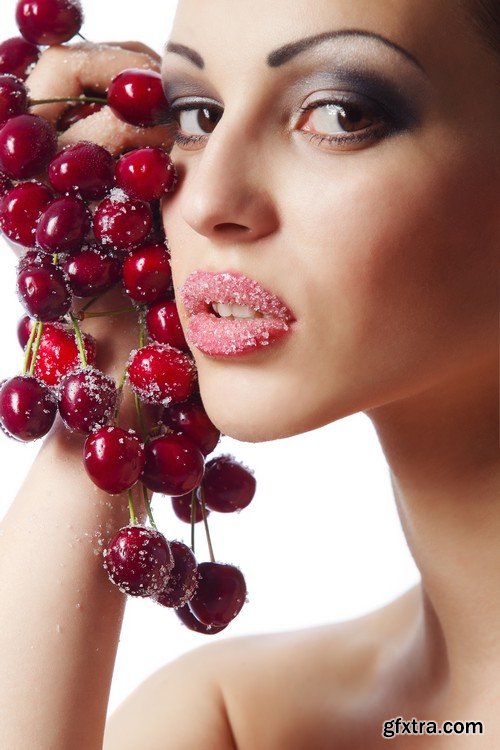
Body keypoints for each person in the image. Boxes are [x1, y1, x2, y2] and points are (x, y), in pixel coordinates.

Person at [0, 0, 498, 747]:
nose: (204, 202)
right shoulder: (238, 717)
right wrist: (105, 363)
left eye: (339, 113)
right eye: (197, 116)